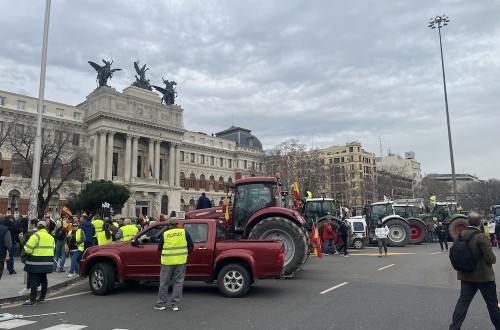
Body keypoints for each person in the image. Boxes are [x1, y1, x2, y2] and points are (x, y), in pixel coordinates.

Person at [449, 212, 500, 329]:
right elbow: (490, 258)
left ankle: (454, 327)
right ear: (480, 222)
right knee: (492, 304)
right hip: (483, 277)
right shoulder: (481, 236)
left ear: (468, 222)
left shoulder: (460, 235)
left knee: (463, 302)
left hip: (466, 276)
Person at [155, 217, 194, 311]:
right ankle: (175, 305)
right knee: (178, 283)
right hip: (180, 261)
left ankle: (161, 304)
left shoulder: (165, 234)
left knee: (164, 283)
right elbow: (191, 247)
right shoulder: (184, 233)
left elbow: (159, 250)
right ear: (178, 224)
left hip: (167, 262)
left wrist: (162, 258)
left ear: (169, 225)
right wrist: (185, 254)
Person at [22, 221, 55, 306]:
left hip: (36, 261)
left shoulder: (35, 236)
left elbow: (28, 248)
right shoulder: (50, 237)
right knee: (44, 279)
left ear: (37, 227)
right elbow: (53, 248)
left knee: (34, 281)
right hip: (47, 261)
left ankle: (32, 299)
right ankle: (42, 297)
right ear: (45, 227)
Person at [18, 219, 39, 295]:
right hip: (39, 255)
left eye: (30, 224)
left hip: (29, 255)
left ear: (33, 224)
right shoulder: (40, 234)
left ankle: (28, 287)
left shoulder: (28, 234)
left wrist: (20, 238)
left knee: (29, 271)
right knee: (37, 272)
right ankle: (38, 285)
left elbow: (24, 244)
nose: (29, 225)